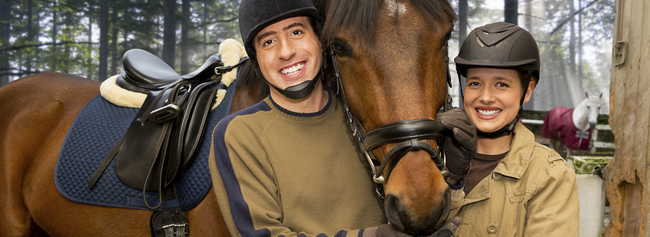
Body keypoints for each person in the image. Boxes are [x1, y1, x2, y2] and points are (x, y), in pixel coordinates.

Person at [207, 0, 469, 236]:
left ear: (320, 41)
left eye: (297, 32)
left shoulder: (366, 121)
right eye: (268, 42)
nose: (285, 52)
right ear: (255, 59)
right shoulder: (237, 135)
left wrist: (454, 177)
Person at [448, 22, 580, 236]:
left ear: (527, 92)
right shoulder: (431, 157)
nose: (485, 97)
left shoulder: (550, 175)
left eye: (501, 84)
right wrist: (450, 178)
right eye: (474, 83)